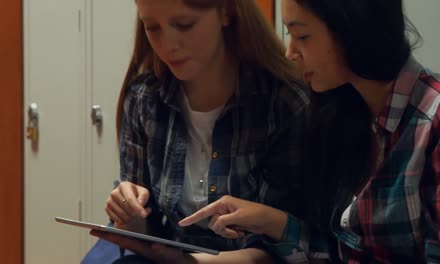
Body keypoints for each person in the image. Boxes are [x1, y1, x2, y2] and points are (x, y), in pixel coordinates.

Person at [180, 0, 440, 263]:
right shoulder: (342, 113)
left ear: (352, 28)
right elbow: (338, 251)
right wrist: (270, 220)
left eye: (302, 36)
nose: (290, 53)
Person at [90, 0, 315, 263]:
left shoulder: (284, 105)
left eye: (184, 25)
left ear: (227, 13)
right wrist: (129, 215)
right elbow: (147, 232)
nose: (168, 45)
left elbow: (288, 246)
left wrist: (189, 261)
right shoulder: (144, 99)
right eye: (152, 27)